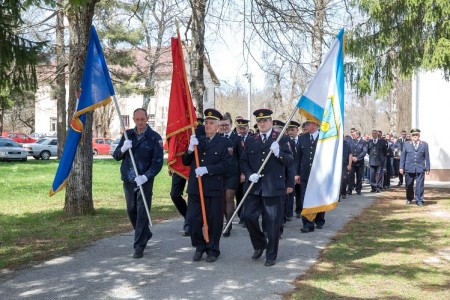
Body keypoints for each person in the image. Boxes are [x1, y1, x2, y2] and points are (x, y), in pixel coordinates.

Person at [240, 108, 294, 266]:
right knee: (249, 216)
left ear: (271, 122)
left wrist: (279, 154)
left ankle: (271, 254)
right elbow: (243, 161)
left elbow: (290, 161)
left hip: (273, 187)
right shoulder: (251, 139)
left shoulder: (281, 139)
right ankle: (260, 244)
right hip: (255, 187)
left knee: (272, 223)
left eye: (265, 121)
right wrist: (249, 174)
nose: (262, 123)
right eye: (259, 121)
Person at [182, 108, 233, 263]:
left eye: (211, 123)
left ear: (218, 126)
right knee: (193, 220)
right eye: (206, 123)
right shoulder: (198, 140)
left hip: (213, 187)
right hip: (196, 187)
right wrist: (190, 149)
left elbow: (227, 166)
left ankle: (213, 249)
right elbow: (185, 161)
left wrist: (208, 169)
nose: (208, 125)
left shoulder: (225, 143)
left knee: (214, 221)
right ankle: (199, 246)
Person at [113, 108, 164, 259]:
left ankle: (139, 246)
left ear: (147, 118)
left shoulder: (155, 138)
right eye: (137, 120)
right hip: (129, 179)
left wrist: (146, 177)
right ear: (134, 120)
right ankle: (145, 233)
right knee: (131, 210)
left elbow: (157, 163)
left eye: (142, 119)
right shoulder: (128, 135)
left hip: (144, 181)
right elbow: (116, 156)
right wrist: (123, 149)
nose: (140, 123)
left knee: (142, 213)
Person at [296, 119, 325, 232]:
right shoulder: (302, 138)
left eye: (308, 124)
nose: (306, 126)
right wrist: (296, 173)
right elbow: (298, 157)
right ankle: (307, 224)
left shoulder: (324, 138)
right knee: (305, 198)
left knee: (319, 197)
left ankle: (319, 219)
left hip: (320, 175)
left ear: (315, 125)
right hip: (305, 174)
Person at [220, 112, 241, 237]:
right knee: (222, 199)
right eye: (222, 125)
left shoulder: (237, 139)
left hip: (233, 173)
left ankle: (228, 224)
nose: (224, 127)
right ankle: (228, 220)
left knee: (229, 197)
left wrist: (242, 173)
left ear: (231, 124)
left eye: (226, 125)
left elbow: (241, 157)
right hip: (220, 173)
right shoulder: (217, 137)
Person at [399, 128, 430, 206]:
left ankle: (419, 200)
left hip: (420, 167)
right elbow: (403, 157)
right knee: (409, 184)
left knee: (420, 185)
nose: (415, 136)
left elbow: (427, 157)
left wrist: (428, 168)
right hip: (409, 168)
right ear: (411, 136)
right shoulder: (406, 144)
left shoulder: (424, 144)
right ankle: (409, 198)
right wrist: (401, 167)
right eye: (413, 135)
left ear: (419, 135)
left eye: (416, 135)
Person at [287, 121, 301, 220]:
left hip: (300, 170)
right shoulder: (286, 141)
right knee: (290, 192)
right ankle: (289, 213)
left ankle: (299, 210)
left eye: (293, 130)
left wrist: (298, 173)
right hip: (290, 170)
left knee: (300, 192)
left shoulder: (302, 140)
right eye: (289, 130)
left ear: (297, 130)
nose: (290, 132)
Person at [347, 130, 367, 195]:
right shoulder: (351, 141)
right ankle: (350, 189)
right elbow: (349, 151)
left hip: (359, 163)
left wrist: (357, 158)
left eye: (354, 134)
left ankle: (358, 189)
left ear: (358, 135)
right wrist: (352, 158)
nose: (353, 135)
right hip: (352, 162)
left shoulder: (363, 142)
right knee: (350, 176)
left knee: (359, 176)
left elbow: (364, 152)